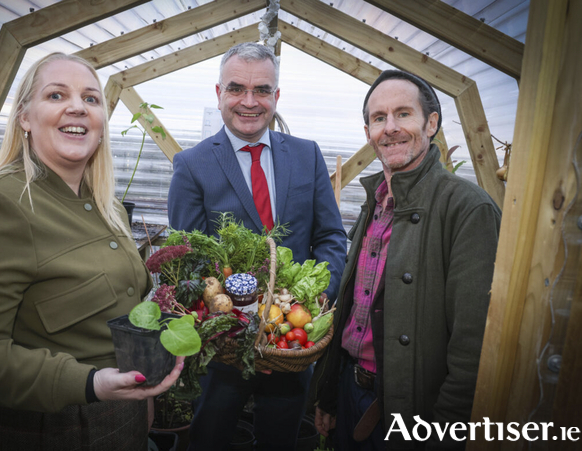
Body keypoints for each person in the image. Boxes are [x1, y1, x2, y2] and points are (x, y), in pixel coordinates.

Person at [0, 52, 184, 451]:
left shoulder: (109, 207)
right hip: (57, 426)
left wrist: (144, 395)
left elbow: (126, 310)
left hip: (123, 411)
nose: (77, 107)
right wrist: (89, 383)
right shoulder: (3, 202)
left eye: (91, 99)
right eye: (56, 95)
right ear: (24, 117)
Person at [167, 42, 347, 450]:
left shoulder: (307, 155)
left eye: (262, 90)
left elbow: (331, 237)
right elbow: (189, 261)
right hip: (223, 346)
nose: (249, 102)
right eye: (237, 89)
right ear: (218, 94)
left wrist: (314, 301)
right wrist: (240, 329)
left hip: (291, 343)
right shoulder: (193, 165)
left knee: (280, 439)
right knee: (210, 438)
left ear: (276, 96)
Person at [310, 70, 502, 450]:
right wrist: (330, 396)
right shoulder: (377, 201)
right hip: (352, 393)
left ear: (431, 123)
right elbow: (351, 310)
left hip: (411, 412)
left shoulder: (467, 208)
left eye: (403, 114)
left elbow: (473, 346)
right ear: (368, 132)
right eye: (379, 118)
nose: (390, 128)